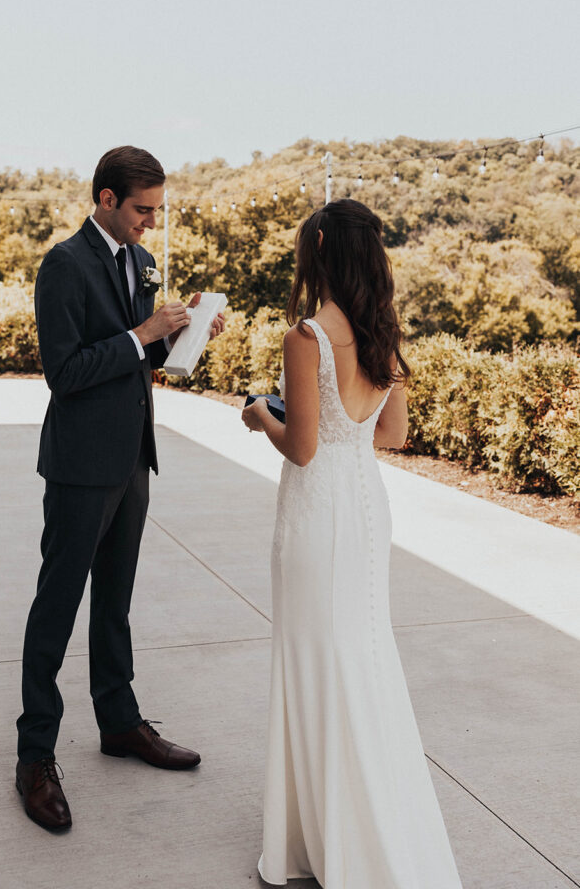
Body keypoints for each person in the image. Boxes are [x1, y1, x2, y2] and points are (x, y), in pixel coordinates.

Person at [242, 200, 462, 888]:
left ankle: (321, 837)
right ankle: (365, 819)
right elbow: (391, 436)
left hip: (315, 514)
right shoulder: (380, 331)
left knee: (313, 660)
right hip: (365, 507)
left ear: (320, 251)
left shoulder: (305, 336)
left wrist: (258, 418)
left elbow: (302, 449)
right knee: (360, 658)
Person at [16, 145, 224, 832]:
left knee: (116, 603)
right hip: (78, 466)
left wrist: (187, 335)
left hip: (132, 459)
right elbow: (65, 371)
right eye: (141, 210)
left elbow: (143, 359)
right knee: (57, 606)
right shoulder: (63, 264)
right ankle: (35, 755)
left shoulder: (138, 263)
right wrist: (142, 333)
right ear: (105, 199)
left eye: (155, 211)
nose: (149, 223)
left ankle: (120, 723)